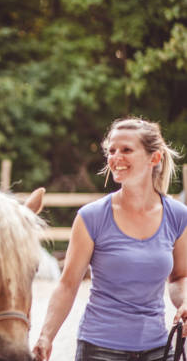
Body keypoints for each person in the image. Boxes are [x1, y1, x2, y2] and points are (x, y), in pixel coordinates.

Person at [33, 117, 187, 360]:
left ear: (154, 158)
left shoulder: (177, 216)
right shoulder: (92, 217)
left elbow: (179, 277)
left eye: (126, 150)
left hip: (158, 349)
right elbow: (68, 284)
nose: (116, 157)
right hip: (100, 349)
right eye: (112, 150)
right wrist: (46, 336)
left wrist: (184, 302)